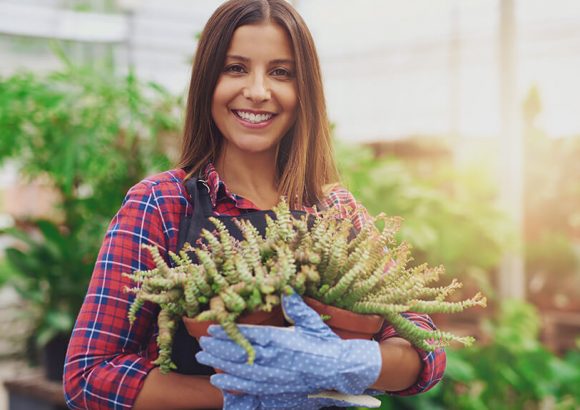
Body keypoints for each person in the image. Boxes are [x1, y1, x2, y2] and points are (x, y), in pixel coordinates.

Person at [63, 0, 446, 409]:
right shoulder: (161, 204)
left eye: (281, 72)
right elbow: (89, 375)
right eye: (236, 68)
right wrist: (245, 395)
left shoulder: (336, 210)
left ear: (304, 92)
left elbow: (427, 354)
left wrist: (348, 364)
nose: (258, 91)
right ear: (208, 80)